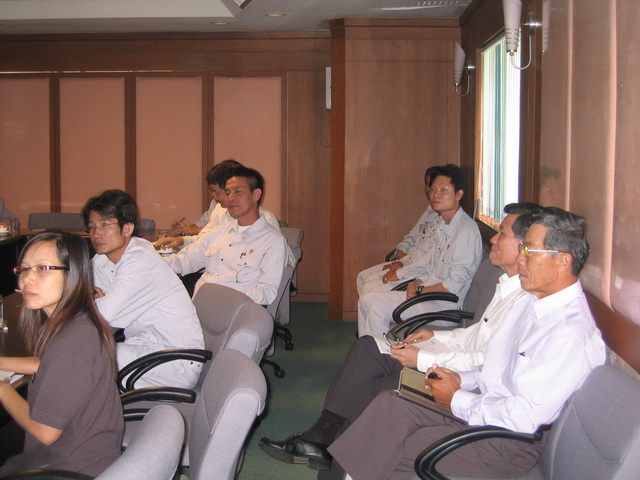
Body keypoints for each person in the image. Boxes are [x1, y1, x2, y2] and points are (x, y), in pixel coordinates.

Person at [258, 202, 541, 473]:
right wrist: (436, 335)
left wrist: (424, 358)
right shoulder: (507, 286)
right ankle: (321, 434)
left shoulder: (527, 301)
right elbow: (475, 335)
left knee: (374, 387)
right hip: (453, 362)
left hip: (460, 379)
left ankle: (323, 440)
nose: (493, 240)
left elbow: (484, 363)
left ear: (524, 246)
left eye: (502, 233)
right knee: (368, 348)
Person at [328, 207, 606, 480]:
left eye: (529, 250)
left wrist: (457, 398)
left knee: (391, 445)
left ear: (562, 261)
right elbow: (493, 367)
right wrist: (459, 380)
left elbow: (523, 418)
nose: (521, 260)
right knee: (389, 404)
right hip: (483, 410)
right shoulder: (532, 305)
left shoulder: (567, 332)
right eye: (521, 248)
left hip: (505, 442)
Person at [0, 232, 124, 476]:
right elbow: (49, 364)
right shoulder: (78, 322)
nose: (27, 279)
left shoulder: (73, 342)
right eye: (24, 269)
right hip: (83, 454)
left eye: (42, 268)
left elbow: (46, 432)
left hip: (68, 469)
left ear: (72, 275)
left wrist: (3, 390)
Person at [82, 189, 204, 389]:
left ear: (127, 228)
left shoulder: (141, 261)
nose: (96, 234)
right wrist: (92, 297)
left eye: (105, 225)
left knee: (84, 358)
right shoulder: (103, 258)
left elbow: (103, 317)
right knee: (80, 353)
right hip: (142, 347)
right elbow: (82, 293)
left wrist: (95, 300)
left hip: (174, 360)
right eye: (92, 227)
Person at [358, 164, 483, 337]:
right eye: (434, 189)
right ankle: (367, 349)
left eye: (443, 190)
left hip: (443, 306)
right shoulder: (443, 225)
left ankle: (379, 353)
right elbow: (431, 267)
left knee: (378, 310)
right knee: (366, 300)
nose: (436, 195)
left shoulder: (466, 231)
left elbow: (453, 285)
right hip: (427, 294)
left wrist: (420, 291)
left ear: (458, 194)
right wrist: (417, 283)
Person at [165, 165, 288, 305]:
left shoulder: (272, 241)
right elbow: (185, 260)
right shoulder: (219, 232)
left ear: (256, 195)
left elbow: (266, 292)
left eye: (238, 192)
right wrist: (152, 263)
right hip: (199, 303)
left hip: (233, 308)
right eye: (228, 193)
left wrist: (225, 299)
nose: (231, 198)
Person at [356, 166, 441, 295]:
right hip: (407, 261)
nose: (428, 190)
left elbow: (426, 261)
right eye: (427, 185)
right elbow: (412, 236)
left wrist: (401, 264)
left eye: (433, 187)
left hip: (416, 272)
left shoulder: (444, 221)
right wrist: (400, 253)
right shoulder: (429, 211)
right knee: (362, 277)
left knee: (369, 288)